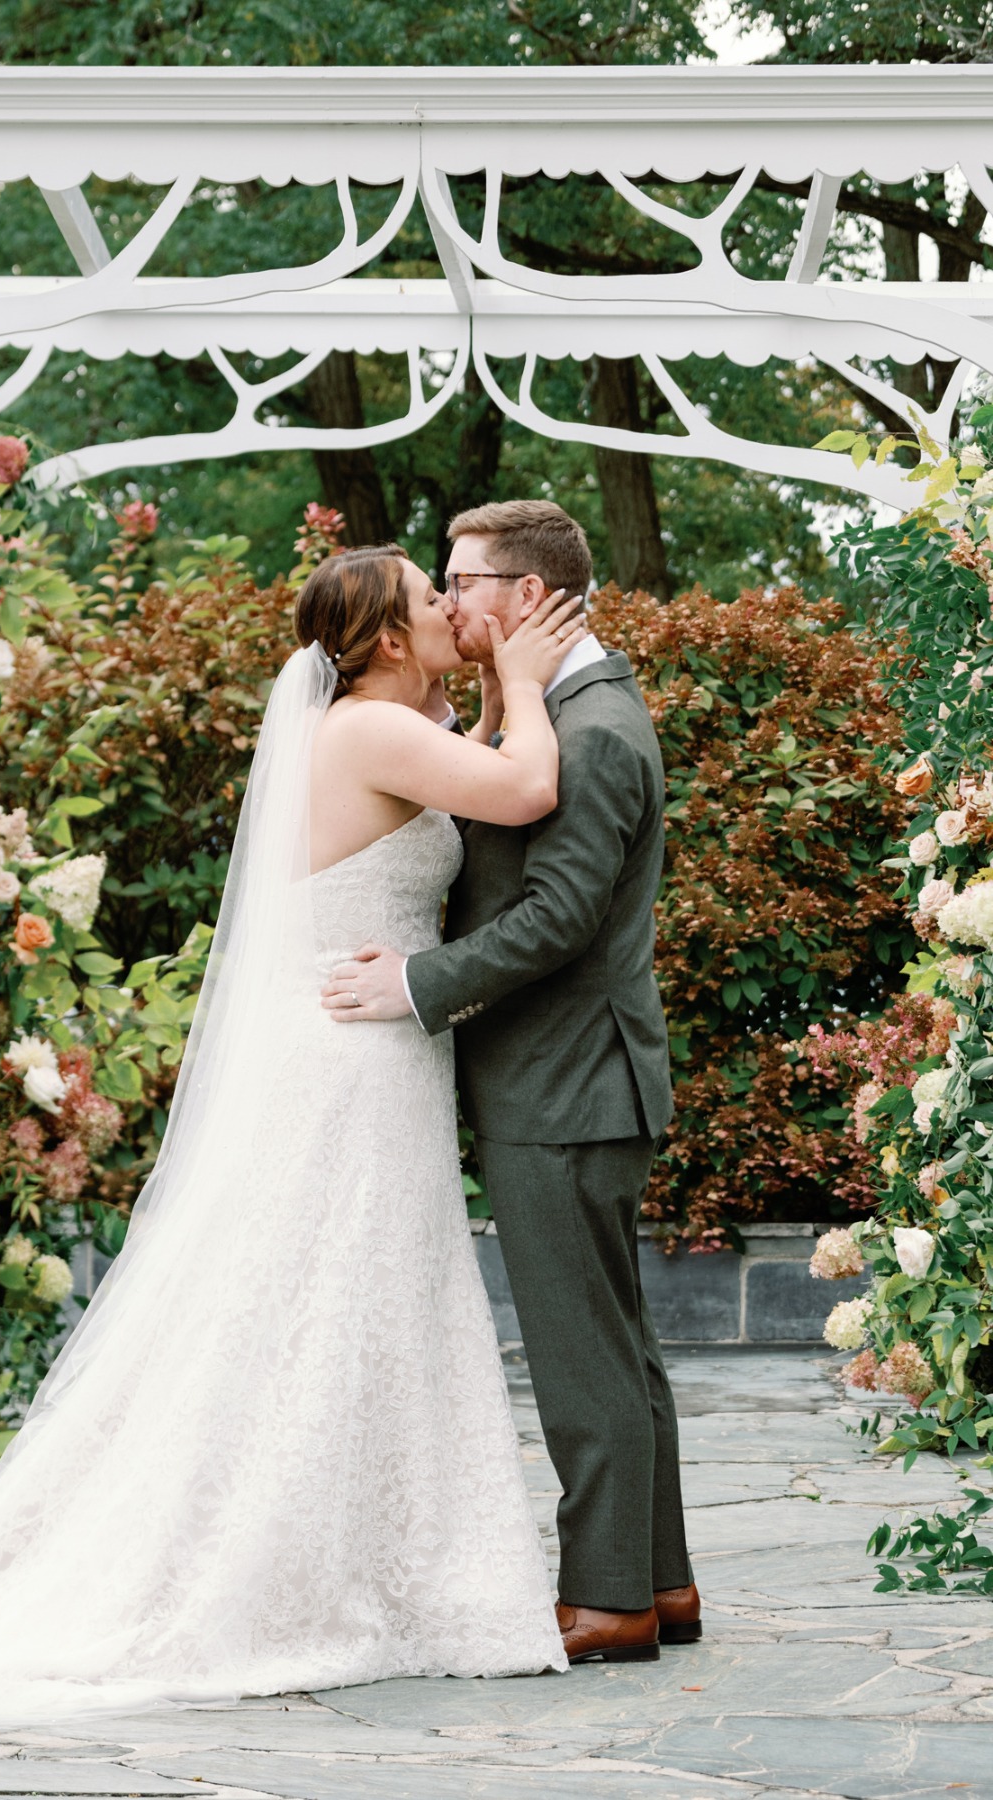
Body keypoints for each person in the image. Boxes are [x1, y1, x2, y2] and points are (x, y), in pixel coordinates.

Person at [0, 545, 588, 1743]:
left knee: (366, 1300)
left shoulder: (381, 724)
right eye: (433, 603)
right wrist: (526, 679)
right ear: (381, 641)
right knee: (337, 1300)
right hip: (350, 1061)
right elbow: (525, 791)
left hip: (370, 1050)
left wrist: (485, 692)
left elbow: (476, 772)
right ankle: (301, 1564)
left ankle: (371, 1557)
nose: (452, 613)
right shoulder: (370, 731)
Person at [321, 501, 700, 1664]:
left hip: (568, 1085)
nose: (450, 601)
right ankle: (659, 1583)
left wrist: (420, 985)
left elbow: (557, 919)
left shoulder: (589, 730)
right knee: (618, 1347)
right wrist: (500, 701)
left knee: (584, 1356)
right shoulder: (568, 705)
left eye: (463, 581)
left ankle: (607, 1601)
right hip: (573, 1081)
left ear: (526, 596)